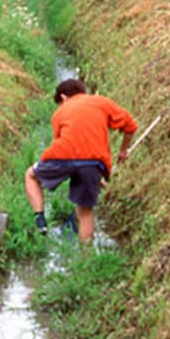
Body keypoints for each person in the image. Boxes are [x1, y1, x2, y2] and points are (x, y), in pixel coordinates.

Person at [24, 79, 138, 242]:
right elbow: (131, 126)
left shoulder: (60, 113)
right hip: (94, 161)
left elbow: (65, 148)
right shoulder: (101, 102)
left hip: (62, 156)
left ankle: (40, 221)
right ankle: (85, 256)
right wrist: (123, 151)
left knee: (31, 176)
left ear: (63, 98)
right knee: (85, 212)